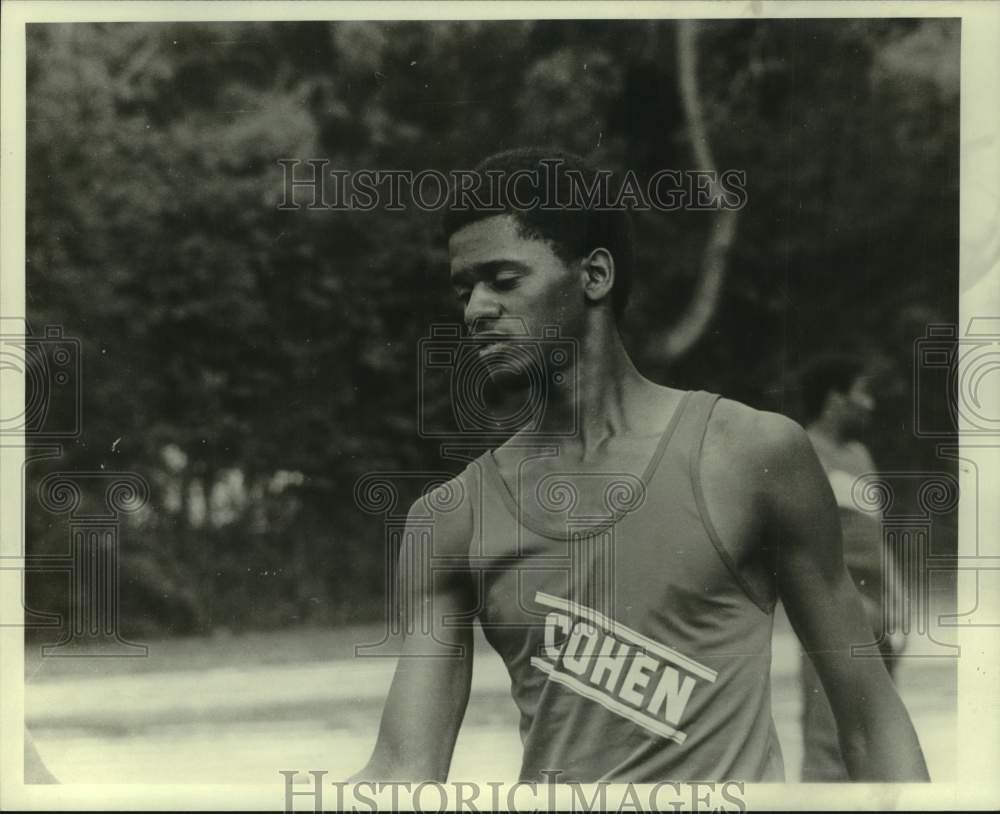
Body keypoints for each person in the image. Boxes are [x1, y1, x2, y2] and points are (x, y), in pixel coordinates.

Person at [349, 148, 928, 783]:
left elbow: (870, 720)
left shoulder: (749, 455)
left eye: (504, 281)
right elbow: (403, 770)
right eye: (465, 290)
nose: (475, 310)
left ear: (595, 275)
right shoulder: (449, 518)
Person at [798, 354, 906, 781]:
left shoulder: (860, 455)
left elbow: (877, 537)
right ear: (834, 399)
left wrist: (899, 600)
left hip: (878, 618)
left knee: (880, 737)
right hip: (834, 617)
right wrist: (843, 605)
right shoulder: (802, 452)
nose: (869, 404)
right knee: (829, 740)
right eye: (861, 391)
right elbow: (803, 549)